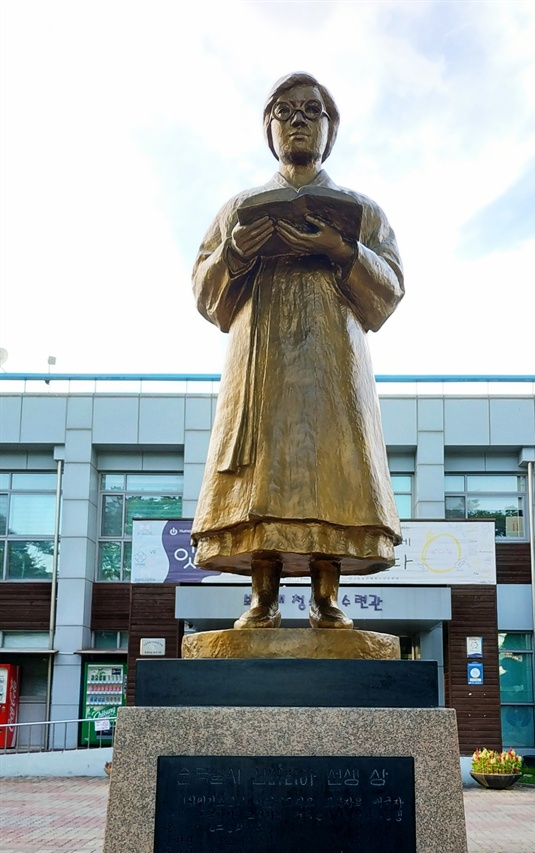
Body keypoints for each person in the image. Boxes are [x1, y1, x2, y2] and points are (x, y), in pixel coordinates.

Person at [191, 72, 404, 630]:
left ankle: (326, 596)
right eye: (285, 111)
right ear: (269, 128)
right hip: (259, 360)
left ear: (330, 129)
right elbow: (204, 292)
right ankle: (261, 598)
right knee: (265, 471)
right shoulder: (240, 206)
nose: (299, 120)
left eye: (312, 110)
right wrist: (234, 252)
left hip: (335, 360)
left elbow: (391, 290)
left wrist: (343, 249)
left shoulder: (363, 210)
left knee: (334, 466)